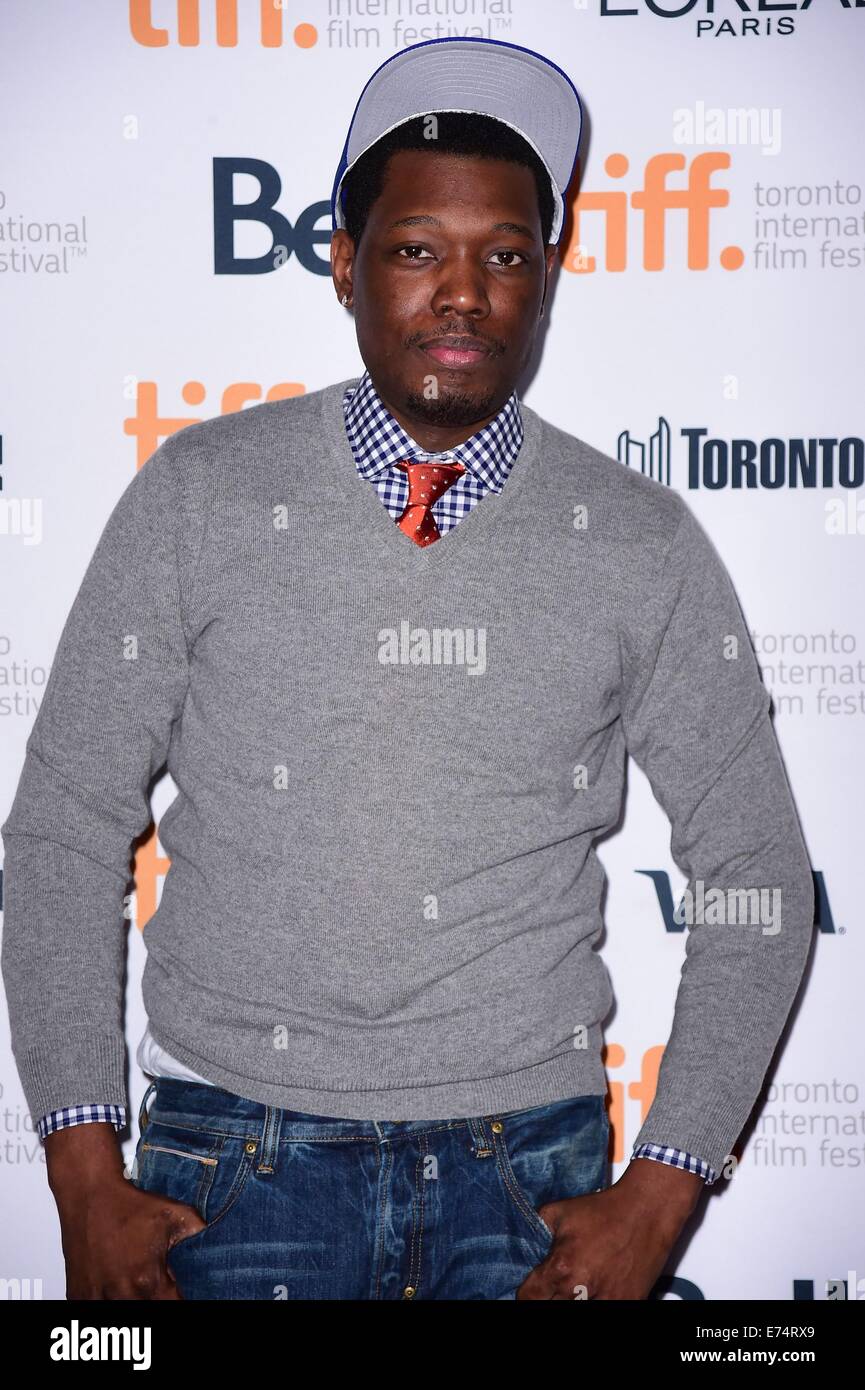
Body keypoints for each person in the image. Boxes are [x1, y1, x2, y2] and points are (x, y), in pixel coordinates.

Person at [1, 37, 813, 1301]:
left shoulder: (641, 543)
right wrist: (78, 1168)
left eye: (505, 256)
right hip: (231, 1168)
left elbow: (756, 876)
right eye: (418, 248)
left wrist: (662, 1191)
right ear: (342, 262)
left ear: (545, 276)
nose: (464, 294)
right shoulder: (200, 497)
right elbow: (61, 834)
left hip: (530, 1182)